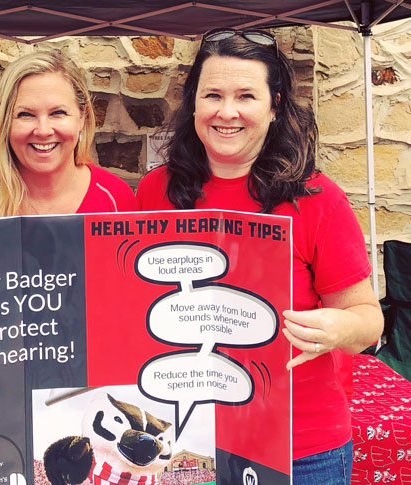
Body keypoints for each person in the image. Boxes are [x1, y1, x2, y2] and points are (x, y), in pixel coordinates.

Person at [135, 28, 383, 484]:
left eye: (246, 95)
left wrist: (338, 327)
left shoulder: (317, 198)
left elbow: (368, 320)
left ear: (275, 106)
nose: (226, 112)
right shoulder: (156, 190)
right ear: (194, 104)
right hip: (189, 438)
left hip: (300, 444)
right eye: (212, 95)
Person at [0, 49, 137, 331]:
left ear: (82, 117)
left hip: (92, 370)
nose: (43, 130)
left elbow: (129, 304)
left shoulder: (115, 197)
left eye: (58, 113)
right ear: (5, 122)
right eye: (25, 115)